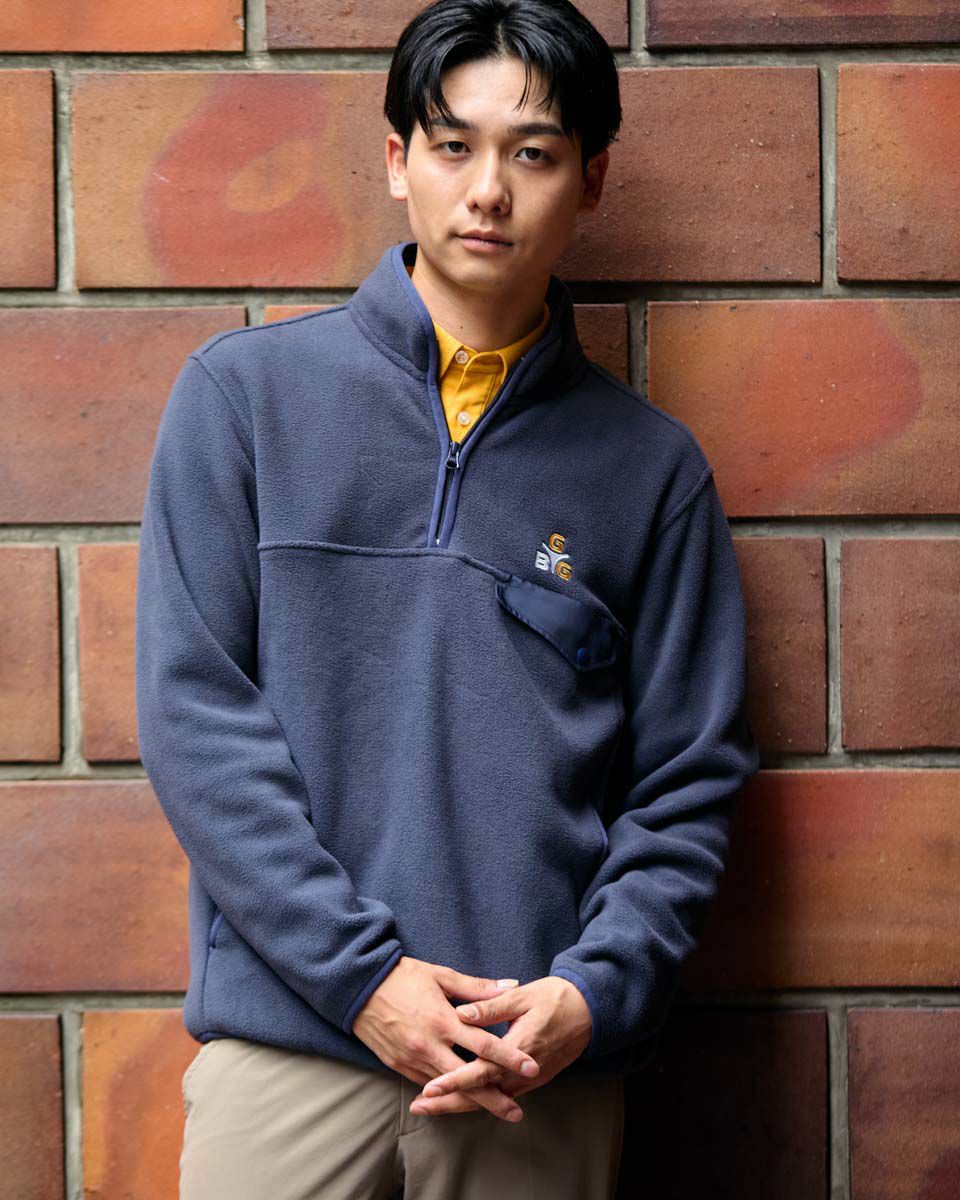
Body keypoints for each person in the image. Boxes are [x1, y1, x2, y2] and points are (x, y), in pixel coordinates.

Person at [134, 0, 760, 1195]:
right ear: (396, 161)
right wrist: (363, 980)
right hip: (292, 1051)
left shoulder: (651, 472)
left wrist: (594, 993)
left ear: (592, 179)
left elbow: (687, 782)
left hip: (532, 1071)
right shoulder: (245, 400)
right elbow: (196, 721)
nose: (488, 191)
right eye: (452, 145)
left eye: (534, 153)